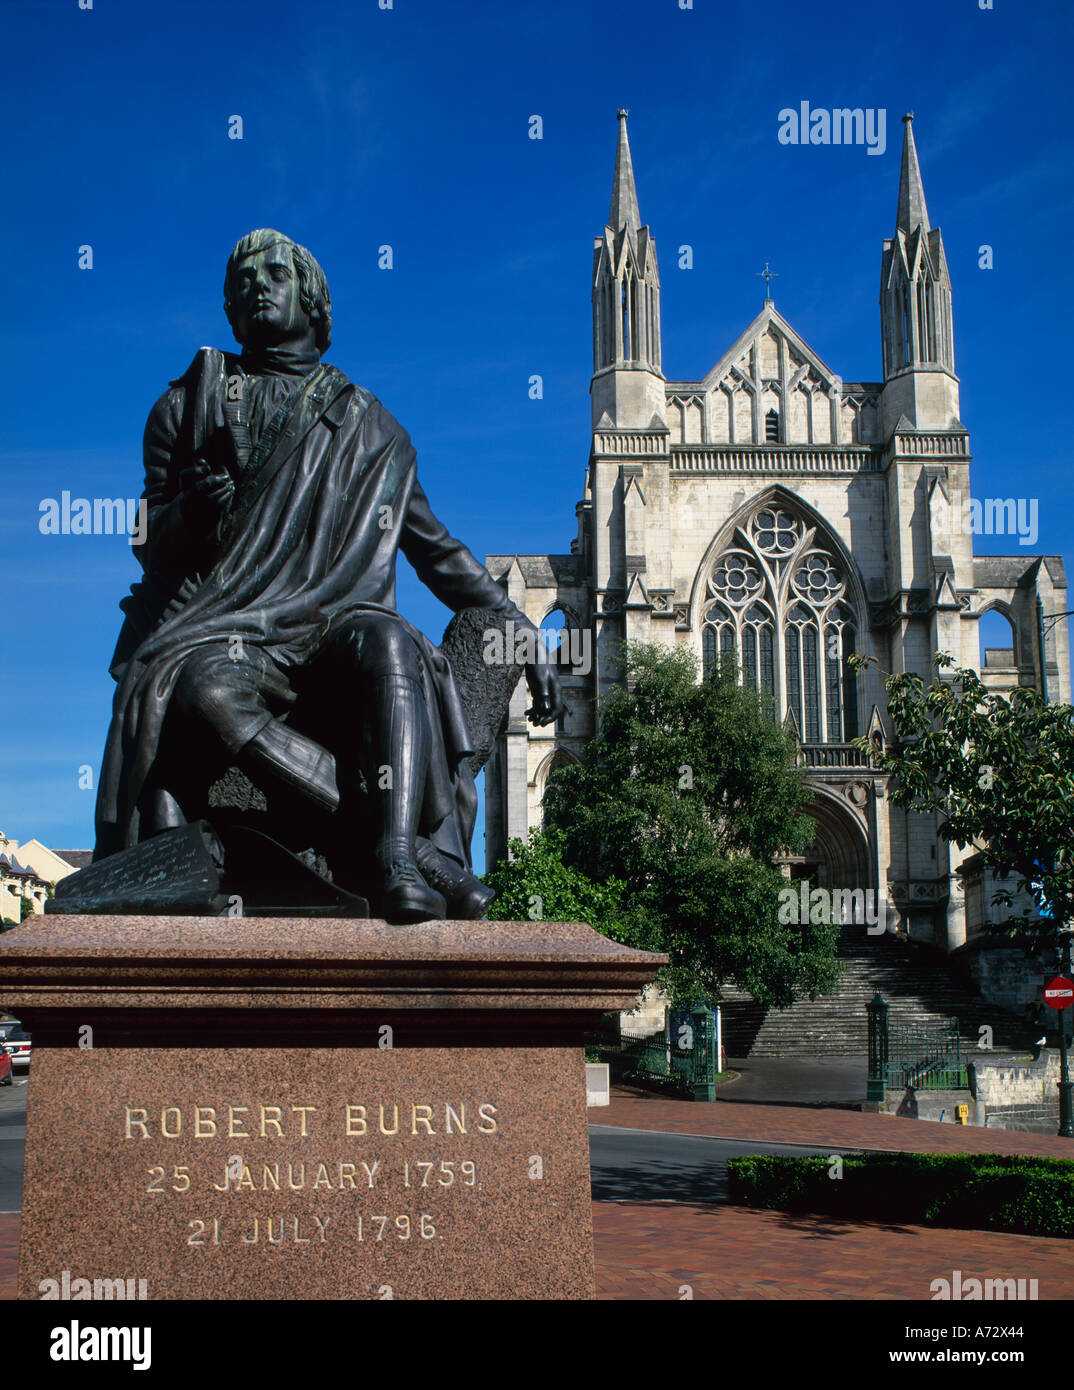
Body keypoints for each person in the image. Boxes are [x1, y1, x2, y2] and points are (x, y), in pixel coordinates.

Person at [94, 229, 563, 922]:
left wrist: (519, 629)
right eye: (242, 278)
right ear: (228, 307)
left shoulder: (372, 428)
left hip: (334, 632)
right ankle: (396, 843)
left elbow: (436, 550)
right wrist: (189, 515)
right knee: (205, 689)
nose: (257, 283)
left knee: (394, 643)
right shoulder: (186, 408)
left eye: (274, 272)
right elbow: (147, 543)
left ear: (313, 299)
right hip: (231, 633)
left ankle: (401, 856)